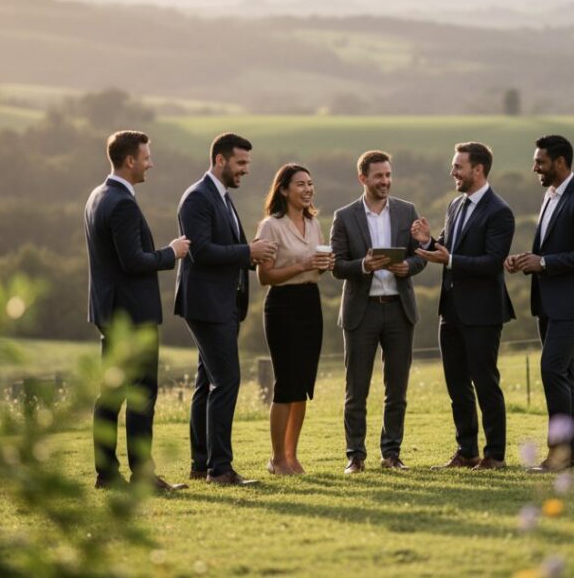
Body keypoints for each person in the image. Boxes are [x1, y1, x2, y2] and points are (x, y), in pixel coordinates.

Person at [84, 129, 190, 491]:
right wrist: (171, 253)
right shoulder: (123, 203)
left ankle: (107, 474)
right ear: (130, 161)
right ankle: (142, 475)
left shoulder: (97, 196)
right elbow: (132, 262)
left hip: (108, 311)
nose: (150, 163)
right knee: (141, 394)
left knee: (110, 394)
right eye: (146, 157)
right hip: (131, 315)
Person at [175, 133, 277, 486]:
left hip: (223, 303)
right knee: (227, 380)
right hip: (206, 304)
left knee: (207, 383)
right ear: (220, 160)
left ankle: (201, 464)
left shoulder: (221, 197)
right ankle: (220, 469)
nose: (245, 170)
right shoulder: (197, 198)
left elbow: (227, 248)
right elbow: (201, 251)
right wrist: (248, 252)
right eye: (241, 163)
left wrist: (255, 255)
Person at [505, 134, 574, 472]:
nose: (535, 167)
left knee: (551, 369)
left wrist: (544, 263)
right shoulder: (550, 196)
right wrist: (527, 260)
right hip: (549, 300)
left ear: (560, 163)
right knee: (565, 372)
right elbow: (550, 247)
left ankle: (560, 453)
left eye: (540, 162)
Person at [412, 142, 515, 471]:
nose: (453, 172)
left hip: (483, 312)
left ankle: (495, 455)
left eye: (458, 166)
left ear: (478, 170)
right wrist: (428, 242)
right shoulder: (455, 206)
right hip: (451, 310)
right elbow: (445, 246)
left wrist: (450, 258)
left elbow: (492, 262)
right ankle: (466, 451)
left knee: (485, 383)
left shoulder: (500, 211)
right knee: (457, 385)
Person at [331, 151, 426, 474]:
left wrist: (407, 267)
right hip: (361, 312)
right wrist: (363, 265)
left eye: (388, 175)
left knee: (396, 389)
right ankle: (355, 456)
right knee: (356, 389)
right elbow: (337, 266)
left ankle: (392, 453)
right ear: (363, 179)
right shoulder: (344, 216)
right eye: (378, 176)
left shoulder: (406, 211)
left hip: (400, 311)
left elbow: (421, 256)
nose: (385, 181)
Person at [255, 164, 334, 476]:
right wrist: (303, 263)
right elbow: (264, 276)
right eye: (300, 184)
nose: (307, 189)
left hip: (310, 304)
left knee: (302, 385)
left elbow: (317, 264)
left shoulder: (315, 223)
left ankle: (292, 456)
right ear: (284, 189)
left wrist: (324, 264)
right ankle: (276, 459)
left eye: (310, 184)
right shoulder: (270, 227)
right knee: (286, 383)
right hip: (282, 306)